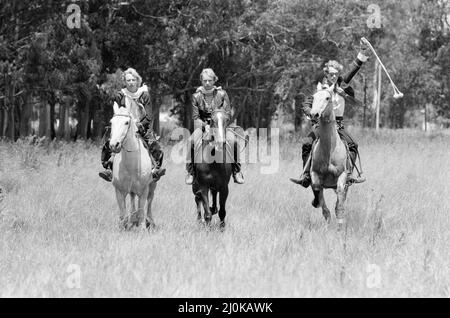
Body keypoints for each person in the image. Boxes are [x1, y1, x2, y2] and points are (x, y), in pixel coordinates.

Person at [290, 40, 369, 187]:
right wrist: (311, 113)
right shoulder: (320, 88)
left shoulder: (342, 85)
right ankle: (306, 175)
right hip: (320, 124)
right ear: (326, 74)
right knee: (307, 143)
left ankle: (349, 174)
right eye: (331, 74)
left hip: (337, 124)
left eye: (336, 74)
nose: (334, 77)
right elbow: (306, 104)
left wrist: (363, 52)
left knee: (353, 144)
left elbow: (353, 69)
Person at [99, 68, 165, 182]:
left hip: (141, 126)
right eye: (128, 80)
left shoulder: (144, 95)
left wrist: (139, 125)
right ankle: (109, 169)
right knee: (109, 142)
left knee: (155, 145)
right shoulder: (120, 95)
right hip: (124, 126)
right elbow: (117, 112)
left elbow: (148, 116)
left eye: (133, 80)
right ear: (125, 81)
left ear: (137, 81)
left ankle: (156, 170)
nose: (130, 82)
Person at [185, 68, 244, 185]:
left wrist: (219, 125)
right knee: (191, 141)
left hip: (220, 125)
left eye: (210, 80)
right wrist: (205, 126)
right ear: (201, 80)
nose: (207, 83)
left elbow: (227, 113)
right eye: (205, 80)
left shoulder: (222, 94)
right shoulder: (196, 96)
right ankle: (191, 172)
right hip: (203, 127)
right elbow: (196, 117)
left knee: (233, 141)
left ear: (214, 81)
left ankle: (237, 171)